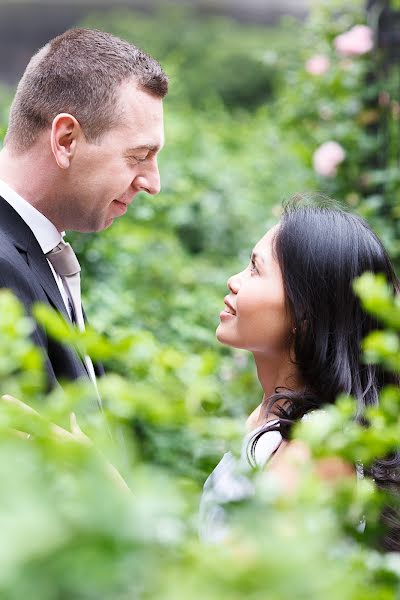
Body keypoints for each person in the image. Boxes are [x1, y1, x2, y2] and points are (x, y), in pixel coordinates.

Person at [200, 196, 400, 550]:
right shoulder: (269, 417)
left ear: (304, 316)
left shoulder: (316, 453)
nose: (234, 281)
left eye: (254, 269)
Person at [0, 28, 167, 392]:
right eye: (138, 157)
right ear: (65, 140)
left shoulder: (34, 250)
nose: (153, 184)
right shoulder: (2, 267)